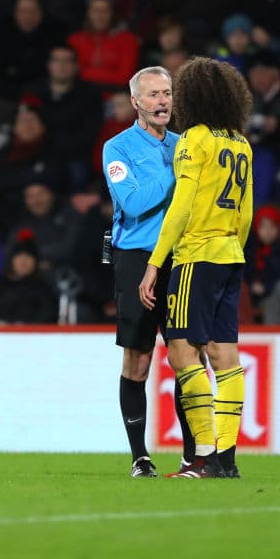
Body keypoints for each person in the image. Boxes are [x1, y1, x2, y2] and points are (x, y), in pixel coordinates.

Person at [139, 57, 255, 479]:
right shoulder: (240, 142)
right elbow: (246, 211)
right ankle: (227, 459)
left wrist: (155, 265)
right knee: (226, 357)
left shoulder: (194, 140)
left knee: (183, 352)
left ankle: (203, 456)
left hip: (197, 256)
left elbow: (181, 206)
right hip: (230, 255)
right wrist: (232, 250)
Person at [102, 66, 188, 478]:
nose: (162, 102)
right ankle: (140, 456)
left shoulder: (185, 144)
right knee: (137, 359)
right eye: (153, 95)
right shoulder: (116, 149)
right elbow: (133, 206)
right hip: (136, 256)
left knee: (188, 356)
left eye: (167, 93)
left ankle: (195, 456)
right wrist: (179, 174)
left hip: (181, 256)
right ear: (136, 102)